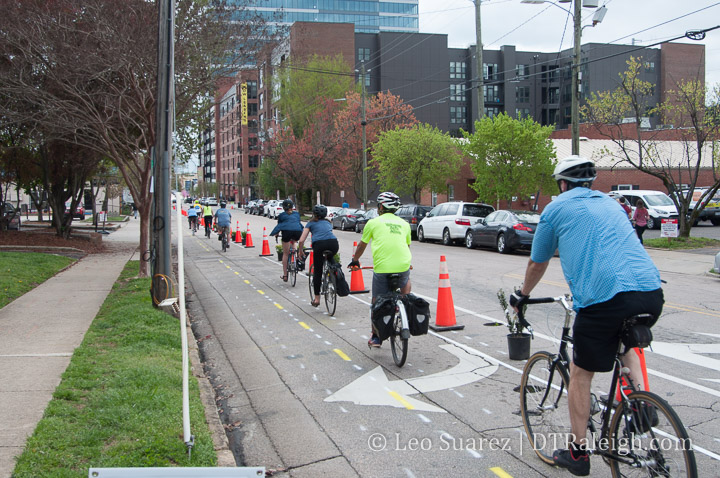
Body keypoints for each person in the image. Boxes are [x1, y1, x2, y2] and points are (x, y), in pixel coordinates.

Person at [510, 156, 663, 477]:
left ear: (562, 185)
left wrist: (521, 296)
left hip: (603, 300)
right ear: (590, 184)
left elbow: (537, 263)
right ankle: (640, 407)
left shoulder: (554, 209)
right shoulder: (613, 204)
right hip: (650, 291)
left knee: (581, 373)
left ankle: (578, 455)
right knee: (626, 347)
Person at [348, 192, 411, 347]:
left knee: (376, 302)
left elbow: (362, 245)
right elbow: (407, 246)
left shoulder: (373, 223)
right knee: (406, 279)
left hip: (383, 269)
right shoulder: (405, 224)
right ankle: (405, 302)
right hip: (403, 265)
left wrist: (355, 260)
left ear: (381, 206)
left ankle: (376, 337)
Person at [298, 205, 339, 307]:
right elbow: (327, 233)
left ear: (314, 214)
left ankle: (316, 299)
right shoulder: (328, 222)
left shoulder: (310, 223)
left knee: (318, 271)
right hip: (333, 244)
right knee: (330, 258)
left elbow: (302, 240)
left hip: (319, 245)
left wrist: (300, 251)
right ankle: (334, 274)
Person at [270, 199, 304, 282]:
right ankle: (295, 257)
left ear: (283, 207)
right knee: (294, 241)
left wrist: (277, 234)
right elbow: (297, 224)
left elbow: (279, 226)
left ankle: (285, 275)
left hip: (287, 233)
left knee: (285, 254)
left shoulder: (282, 215)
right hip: (297, 232)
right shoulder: (297, 214)